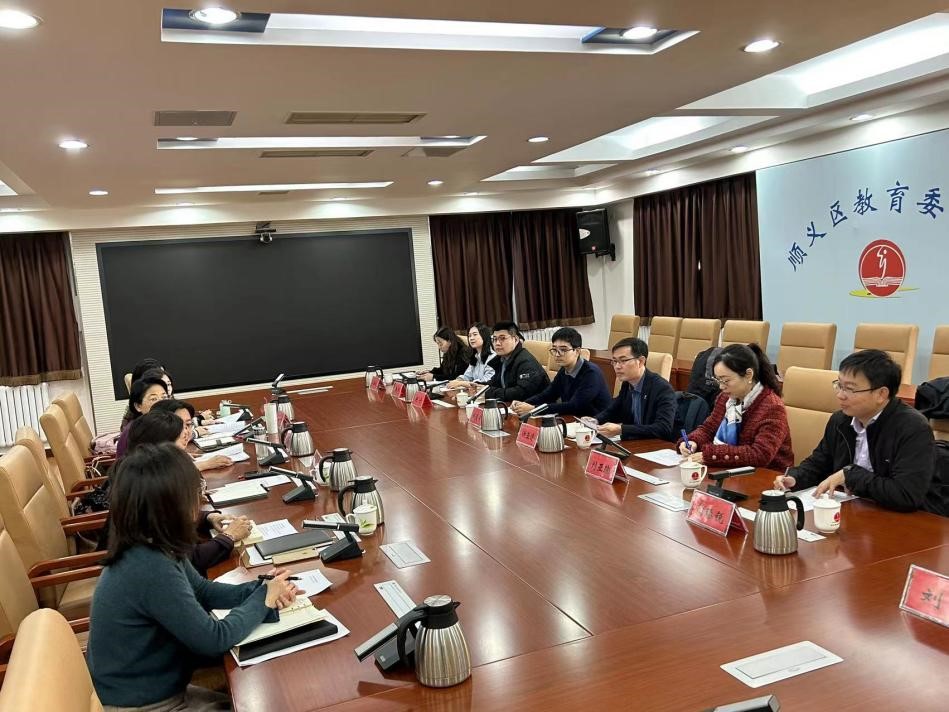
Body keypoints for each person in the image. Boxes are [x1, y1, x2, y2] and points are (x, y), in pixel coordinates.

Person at [87, 443, 298, 710]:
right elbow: (214, 639)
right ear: (171, 505)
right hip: (143, 704)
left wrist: (261, 588)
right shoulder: (149, 567)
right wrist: (262, 600)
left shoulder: (151, 544)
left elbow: (202, 591)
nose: (198, 500)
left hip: (156, 688)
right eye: (196, 492)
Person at [774, 349, 943, 514]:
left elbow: (906, 495)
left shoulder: (912, 428)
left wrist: (851, 476)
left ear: (881, 394)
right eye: (839, 385)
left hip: (898, 519)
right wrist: (795, 478)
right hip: (852, 511)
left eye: (850, 389)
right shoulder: (840, 420)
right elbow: (818, 463)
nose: (840, 395)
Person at [125, 411, 251, 576]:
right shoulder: (149, 487)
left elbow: (175, 517)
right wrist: (229, 536)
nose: (187, 436)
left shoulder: (147, 476)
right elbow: (189, 559)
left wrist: (208, 518)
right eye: (179, 437)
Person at [679, 343, 793, 469]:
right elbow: (709, 428)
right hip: (730, 469)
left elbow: (760, 455)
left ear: (748, 375)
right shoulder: (725, 398)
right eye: (718, 380)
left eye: (726, 380)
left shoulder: (773, 407)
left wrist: (709, 455)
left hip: (767, 475)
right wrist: (693, 441)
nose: (721, 386)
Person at [511, 327, 611, 417]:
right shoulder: (564, 369)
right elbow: (548, 395)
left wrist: (534, 409)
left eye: (563, 350)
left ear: (577, 351)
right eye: (554, 349)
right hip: (574, 420)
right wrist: (523, 403)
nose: (557, 354)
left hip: (597, 423)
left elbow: (574, 405)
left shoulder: (591, 373)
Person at [594, 337, 677, 441]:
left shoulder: (662, 388)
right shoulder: (627, 384)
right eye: (614, 361)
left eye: (623, 360)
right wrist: (595, 420)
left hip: (658, 445)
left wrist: (622, 429)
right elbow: (614, 410)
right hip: (635, 443)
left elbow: (663, 428)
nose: (617, 366)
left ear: (641, 361)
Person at [151, 399, 232, 471]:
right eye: (179, 425)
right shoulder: (149, 457)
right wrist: (206, 464)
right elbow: (169, 474)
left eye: (188, 424)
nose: (186, 431)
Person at [482, 321, 550, 402]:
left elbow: (520, 393)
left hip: (535, 406)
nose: (497, 343)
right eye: (495, 339)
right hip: (513, 405)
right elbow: (496, 383)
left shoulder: (526, 362)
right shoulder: (502, 359)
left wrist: (488, 392)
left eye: (502, 338)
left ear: (516, 339)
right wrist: (480, 387)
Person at [116, 375, 168, 456]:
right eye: (153, 399)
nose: (161, 403)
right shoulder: (135, 433)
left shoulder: (160, 425)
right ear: (138, 406)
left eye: (164, 397)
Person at [447, 323, 498, 389]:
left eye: (475, 334)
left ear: (484, 336)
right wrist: (457, 381)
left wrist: (461, 383)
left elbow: (484, 383)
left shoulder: (493, 357)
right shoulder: (475, 357)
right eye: (469, 336)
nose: (471, 338)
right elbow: (467, 376)